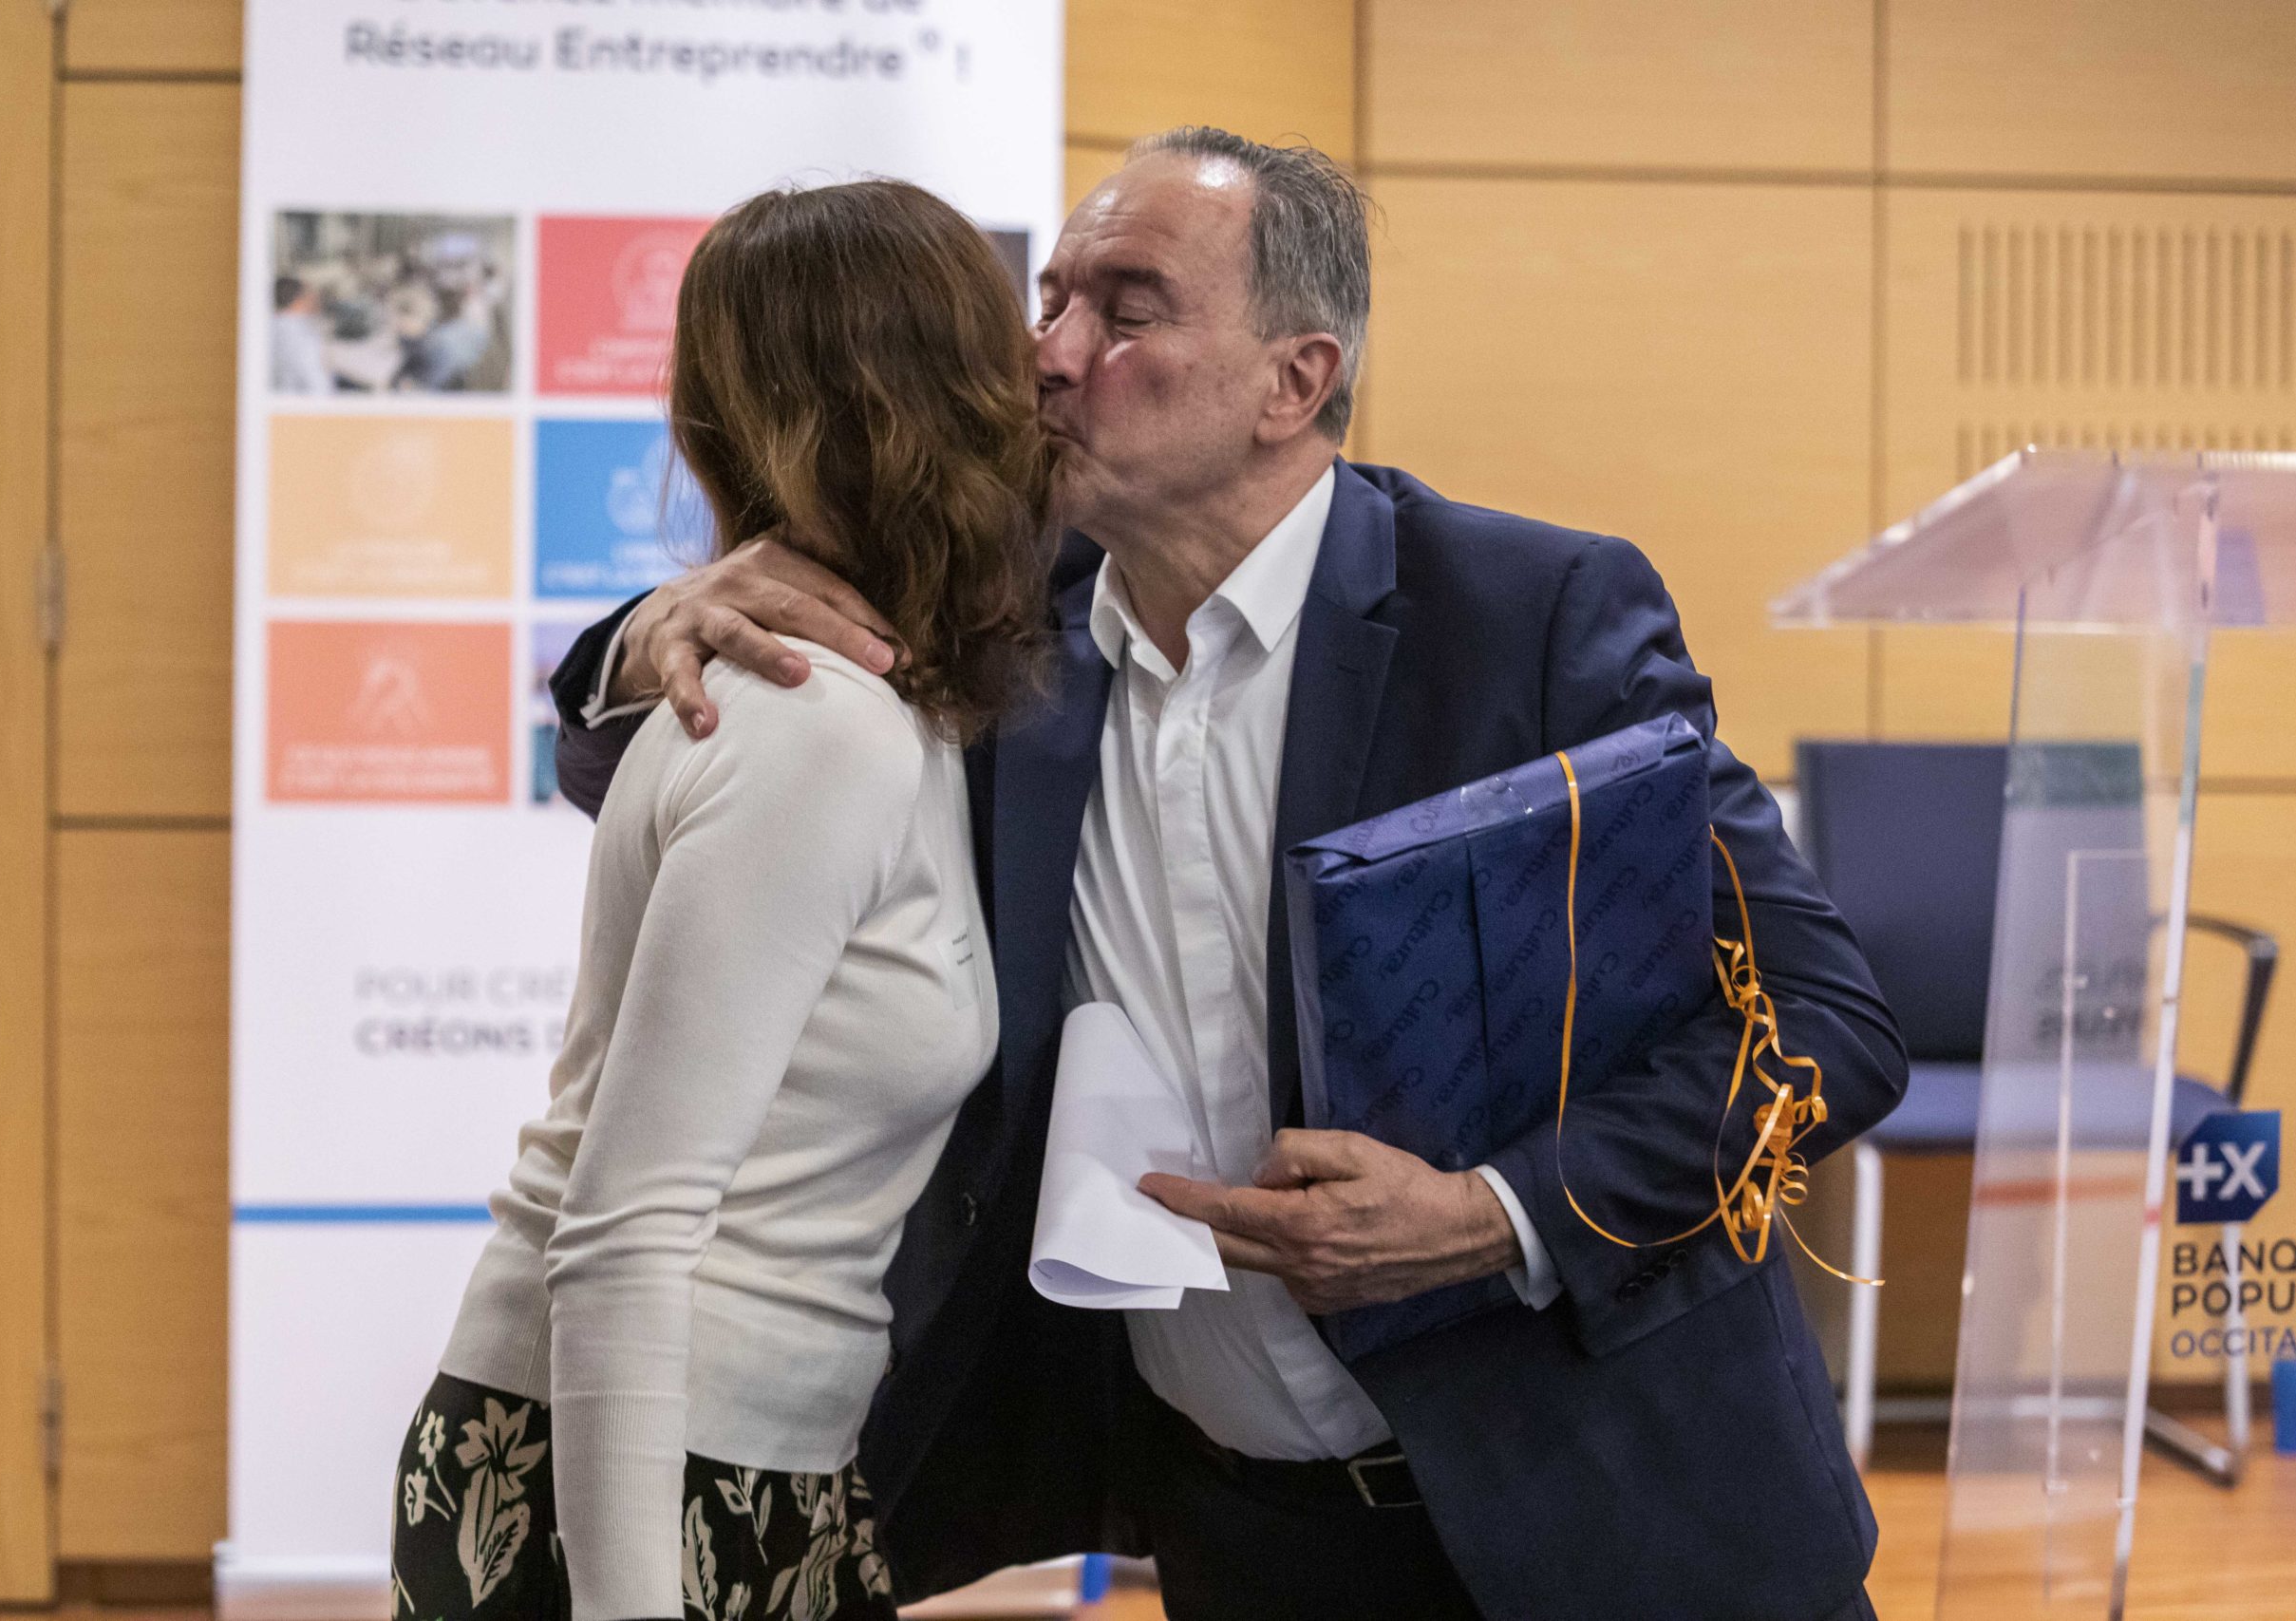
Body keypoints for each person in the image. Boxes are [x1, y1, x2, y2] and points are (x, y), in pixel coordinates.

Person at [551, 129, 1909, 1621]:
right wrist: (652, 633)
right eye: (1050, 304)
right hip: (1241, 1532)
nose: (1049, 357)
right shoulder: (996, 627)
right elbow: (644, 769)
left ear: (1294, 382)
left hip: (1613, 1511)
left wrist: (1492, 1212)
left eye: (1125, 313)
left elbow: (1822, 1024)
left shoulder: (1527, 616)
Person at [391, 179, 1053, 1621]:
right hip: (643, 1468)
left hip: (751, 1456)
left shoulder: (893, 691)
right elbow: (625, 1232)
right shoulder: (816, 718)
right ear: (944, 396)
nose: (1049, 363)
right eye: (1023, 328)